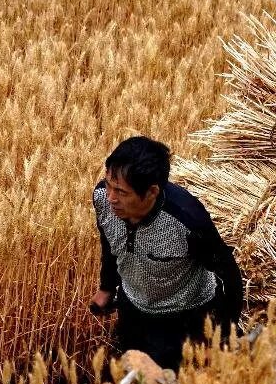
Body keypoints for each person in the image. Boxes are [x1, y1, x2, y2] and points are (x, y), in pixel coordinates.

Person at [90, 136, 245, 371]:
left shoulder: (188, 221)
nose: (111, 197)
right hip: (132, 307)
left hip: (181, 317)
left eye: (121, 191)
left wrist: (224, 333)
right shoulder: (103, 199)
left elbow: (229, 273)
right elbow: (111, 242)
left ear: (152, 192)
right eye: (109, 184)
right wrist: (107, 287)